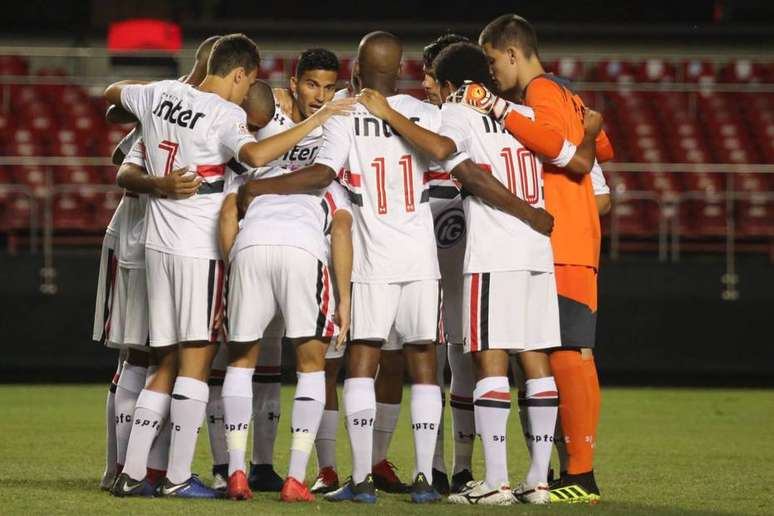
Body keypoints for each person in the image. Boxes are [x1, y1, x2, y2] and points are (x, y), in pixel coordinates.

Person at [104, 33, 353, 498]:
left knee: (166, 361)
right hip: (198, 247)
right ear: (239, 75)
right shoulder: (225, 115)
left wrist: (158, 177)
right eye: (248, 84)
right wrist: (320, 117)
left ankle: (131, 471)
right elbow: (256, 155)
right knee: (195, 366)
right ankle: (176, 478)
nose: (247, 94)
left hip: (156, 246)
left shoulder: (160, 92)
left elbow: (111, 94)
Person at [236, 31, 448, 505]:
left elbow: (323, 173)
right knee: (423, 364)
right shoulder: (424, 113)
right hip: (422, 256)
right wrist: (395, 113)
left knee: (359, 363)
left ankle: (358, 478)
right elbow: (444, 150)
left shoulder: (345, 113)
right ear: (401, 70)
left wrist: (261, 188)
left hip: (371, 257)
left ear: (353, 72)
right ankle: (423, 479)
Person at [462, 13, 615, 503]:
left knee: (570, 353)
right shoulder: (566, 93)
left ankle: (582, 475)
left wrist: (501, 112)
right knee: (558, 352)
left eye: (492, 61)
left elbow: (560, 149)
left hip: (562, 239)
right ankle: (562, 470)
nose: (491, 74)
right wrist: (584, 136)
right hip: (574, 235)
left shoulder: (541, 94)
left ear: (512, 52)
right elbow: (600, 146)